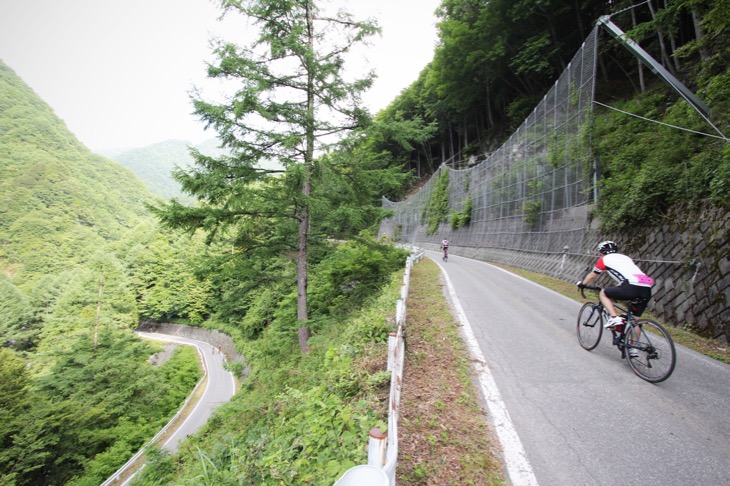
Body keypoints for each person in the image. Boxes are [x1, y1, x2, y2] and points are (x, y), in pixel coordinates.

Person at [577, 240, 654, 329]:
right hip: (646, 288)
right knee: (635, 320)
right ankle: (633, 342)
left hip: (631, 286)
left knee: (603, 293)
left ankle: (614, 318)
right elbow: (627, 274)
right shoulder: (626, 258)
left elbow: (592, 276)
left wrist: (583, 284)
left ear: (602, 252)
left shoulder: (604, 259)